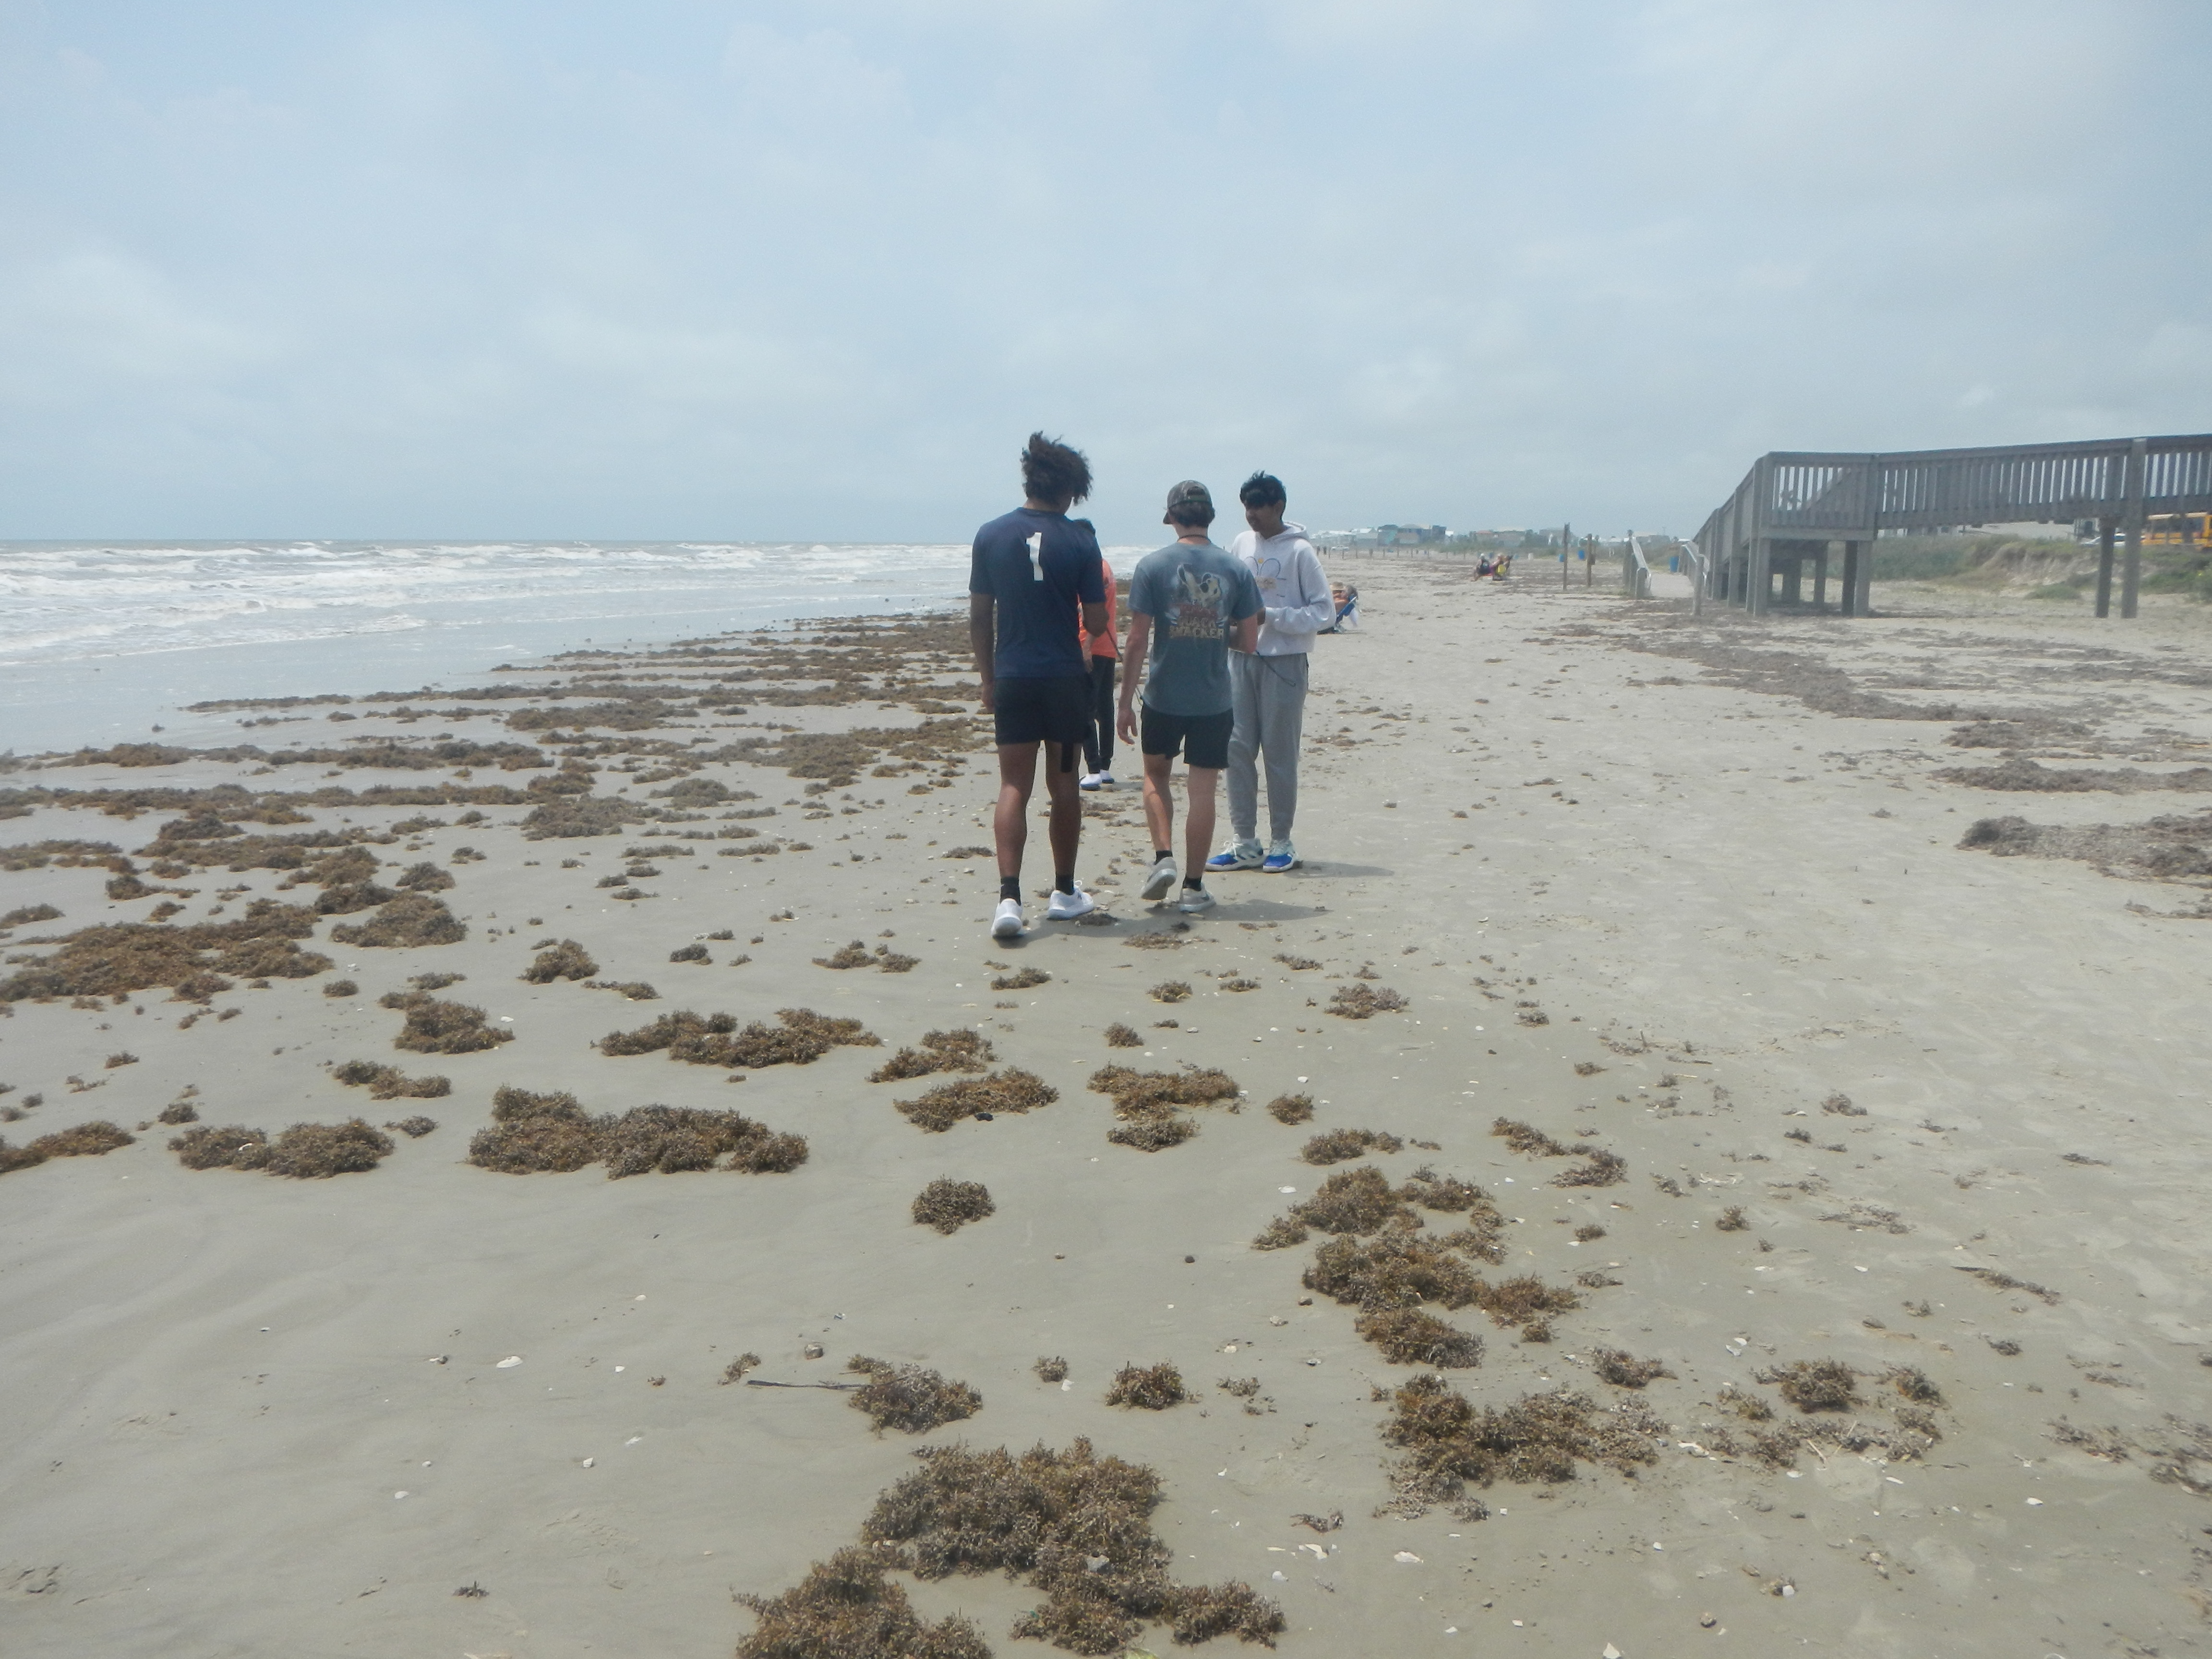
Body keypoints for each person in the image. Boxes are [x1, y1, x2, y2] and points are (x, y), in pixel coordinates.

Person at [969, 432, 1109, 940]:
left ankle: (1009, 898)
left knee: (1013, 786)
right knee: (1065, 782)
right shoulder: (1080, 540)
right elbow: (1095, 622)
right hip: (1064, 681)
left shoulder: (990, 534)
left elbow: (981, 617)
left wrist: (987, 678)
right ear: (1069, 488)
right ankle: (1065, 890)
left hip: (1012, 675)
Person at [1117, 481, 1261, 915]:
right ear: (1209, 517)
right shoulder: (1235, 570)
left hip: (1163, 695)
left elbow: (1138, 639)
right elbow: (1250, 643)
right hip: (1214, 699)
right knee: (1203, 790)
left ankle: (1163, 858)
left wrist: (1124, 701)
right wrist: (1216, 629)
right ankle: (1194, 888)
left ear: (1173, 518)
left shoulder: (1153, 566)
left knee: (1156, 777)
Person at [1206, 471, 1334, 877]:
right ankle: (1245, 840)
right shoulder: (1241, 545)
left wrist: (1271, 616)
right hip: (1240, 661)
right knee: (1237, 748)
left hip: (1285, 664)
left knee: (1280, 753)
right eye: (1246, 507)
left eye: (1258, 507)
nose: (1251, 516)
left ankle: (1282, 840)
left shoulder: (1301, 552)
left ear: (1278, 507)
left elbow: (1324, 612)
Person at [1078, 552, 1118, 789]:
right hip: (1107, 645)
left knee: (1087, 709)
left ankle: (1094, 769)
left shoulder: (1093, 570)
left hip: (1092, 646)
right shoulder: (1105, 567)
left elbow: (1096, 612)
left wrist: (1086, 647)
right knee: (1104, 709)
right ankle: (1104, 768)